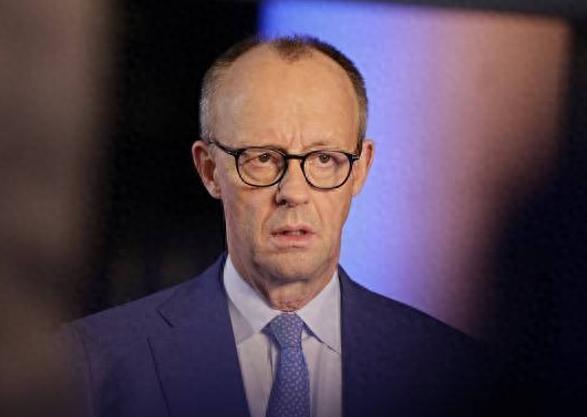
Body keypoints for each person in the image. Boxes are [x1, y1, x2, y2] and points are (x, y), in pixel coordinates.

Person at [63, 35, 496, 417]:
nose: (293, 191)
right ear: (210, 170)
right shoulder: (89, 366)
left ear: (360, 169)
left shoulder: (452, 373)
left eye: (324, 159)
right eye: (263, 158)